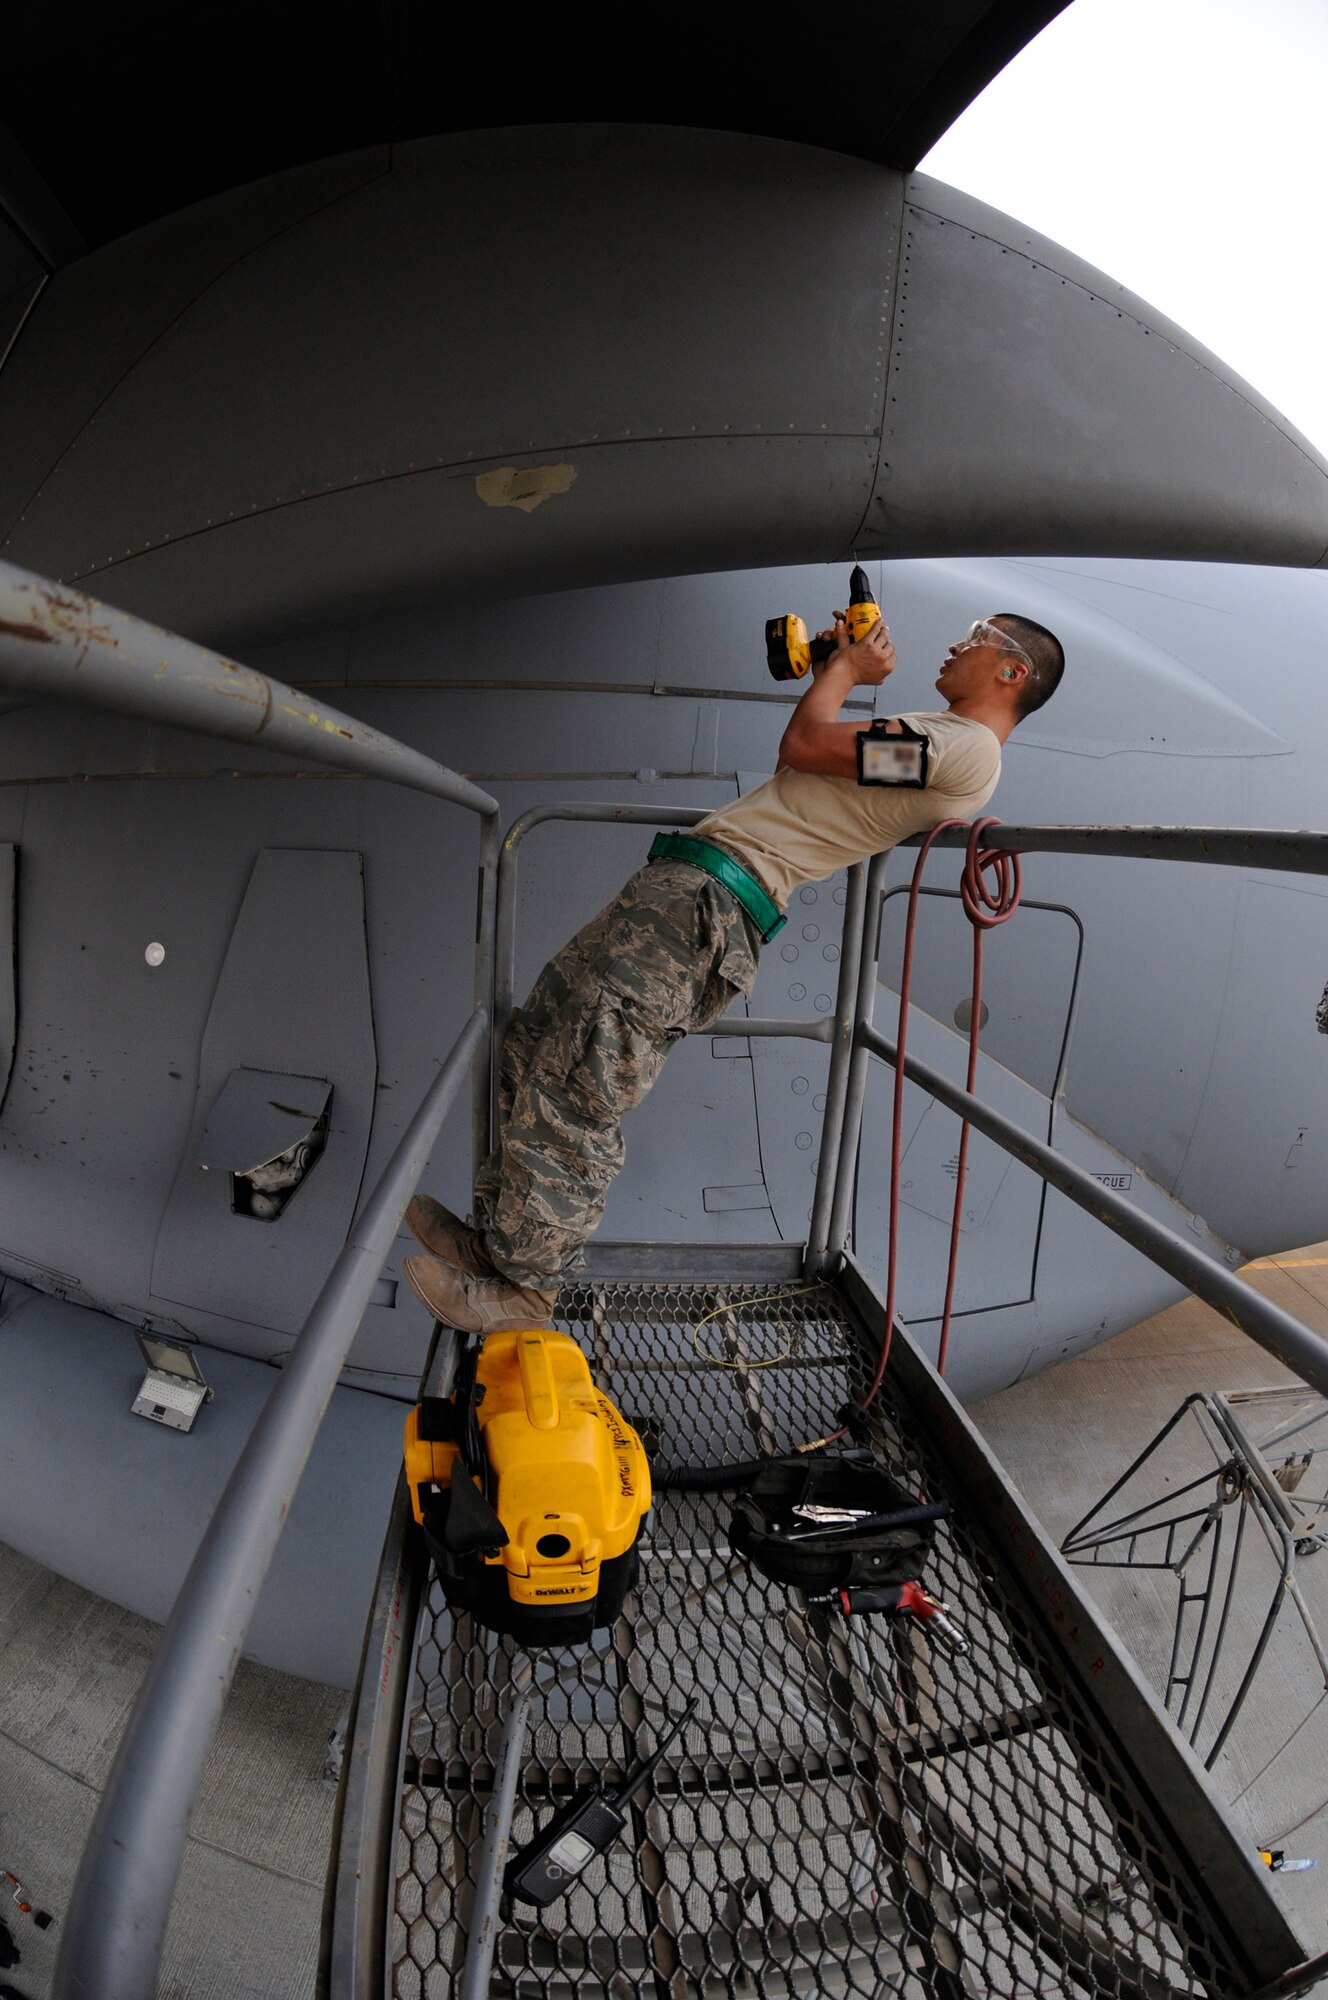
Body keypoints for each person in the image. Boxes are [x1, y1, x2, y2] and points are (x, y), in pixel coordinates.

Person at [404, 606, 1065, 1332]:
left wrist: (847, 670)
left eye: (976, 637)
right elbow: (805, 762)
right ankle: (499, 1245)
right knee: (538, 1042)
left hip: (713, 904)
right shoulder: (941, 745)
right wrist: (830, 674)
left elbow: (805, 742)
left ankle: (528, 1287)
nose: (954, 643)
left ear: (1012, 672)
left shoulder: (966, 751)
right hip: (692, 887)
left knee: (583, 1080)